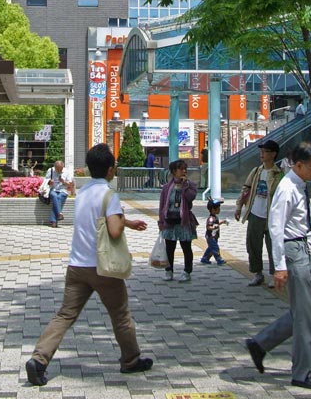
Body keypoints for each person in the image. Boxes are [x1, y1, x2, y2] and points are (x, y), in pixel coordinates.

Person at [25, 143, 152, 386]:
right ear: (110, 170)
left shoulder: (82, 192)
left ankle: (38, 360)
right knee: (121, 316)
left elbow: (98, 218)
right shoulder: (110, 195)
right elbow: (113, 231)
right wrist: (122, 221)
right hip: (103, 268)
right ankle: (131, 360)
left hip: (77, 267)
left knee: (65, 315)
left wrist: (128, 221)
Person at [245, 142, 311, 391]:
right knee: (304, 316)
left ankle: (260, 343)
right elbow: (276, 228)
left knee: (303, 311)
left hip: (301, 247)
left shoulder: (299, 185)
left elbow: (302, 224)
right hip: (292, 251)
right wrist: (280, 266)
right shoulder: (286, 188)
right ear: (299, 165)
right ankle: (302, 373)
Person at [235, 139, 284, 286]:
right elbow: (246, 189)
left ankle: (274, 274)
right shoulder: (257, 171)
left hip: (271, 216)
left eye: (265, 151)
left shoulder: (279, 174)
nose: (262, 154)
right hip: (255, 213)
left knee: (273, 246)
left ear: (273, 154)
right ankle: (257, 273)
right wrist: (239, 206)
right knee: (253, 245)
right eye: (261, 151)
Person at [157, 159, 198, 282]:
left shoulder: (190, 185)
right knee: (169, 248)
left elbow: (191, 197)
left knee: (186, 247)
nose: (184, 171)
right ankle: (168, 270)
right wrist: (161, 221)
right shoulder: (167, 187)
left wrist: (185, 186)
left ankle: (187, 271)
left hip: (183, 221)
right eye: (181, 169)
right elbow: (162, 205)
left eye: (185, 169)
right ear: (174, 171)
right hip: (170, 220)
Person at [44, 160, 74, 228]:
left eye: (60, 169)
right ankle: (59, 214)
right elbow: (45, 181)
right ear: (54, 167)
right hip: (53, 189)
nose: (59, 171)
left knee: (58, 197)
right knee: (55, 196)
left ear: (63, 167)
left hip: (63, 191)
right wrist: (49, 182)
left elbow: (70, 185)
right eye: (57, 169)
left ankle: (54, 221)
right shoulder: (50, 170)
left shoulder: (67, 171)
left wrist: (63, 182)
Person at [200, 199, 228, 265]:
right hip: (211, 237)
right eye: (218, 209)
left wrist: (222, 222)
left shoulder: (215, 217)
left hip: (214, 236)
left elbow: (216, 224)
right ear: (213, 209)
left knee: (211, 248)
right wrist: (213, 228)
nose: (219, 210)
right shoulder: (211, 218)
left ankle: (205, 258)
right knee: (215, 248)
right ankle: (219, 259)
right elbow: (208, 227)